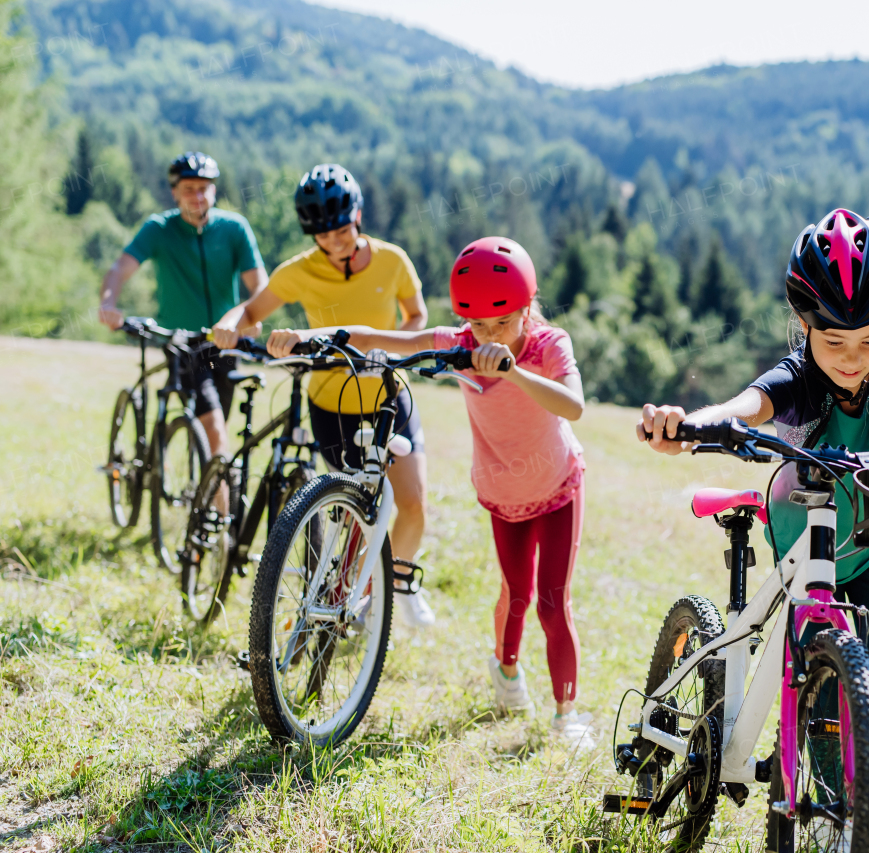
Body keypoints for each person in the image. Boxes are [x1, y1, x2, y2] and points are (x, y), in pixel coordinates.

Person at [638, 209, 869, 839]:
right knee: (813, 669)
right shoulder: (800, 373)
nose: (852, 359)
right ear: (804, 327)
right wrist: (694, 426)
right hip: (801, 526)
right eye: (833, 342)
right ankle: (838, 805)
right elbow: (746, 405)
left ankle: (852, 777)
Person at [261, 236, 594, 746]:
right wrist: (309, 336)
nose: (488, 336)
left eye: (502, 323)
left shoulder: (550, 345)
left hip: (558, 487)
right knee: (517, 593)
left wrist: (513, 369)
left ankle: (566, 713)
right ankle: (506, 671)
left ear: (528, 309)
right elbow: (382, 336)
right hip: (503, 491)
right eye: (478, 325)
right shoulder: (460, 344)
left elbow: (573, 405)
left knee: (552, 601)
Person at [210, 163, 435, 627]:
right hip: (333, 405)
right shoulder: (300, 270)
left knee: (412, 503)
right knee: (354, 508)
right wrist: (231, 325)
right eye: (322, 234)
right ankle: (341, 599)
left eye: (341, 228)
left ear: (358, 214)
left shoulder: (393, 261)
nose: (334, 241)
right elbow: (252, 310)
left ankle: (399, 583)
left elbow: (416, 316)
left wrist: (392, 351)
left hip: (389, 394)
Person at [99, 151, 268, 460]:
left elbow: (261, 287)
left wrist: (255, 316)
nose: (197, 196)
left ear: (214, 190)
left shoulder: (235, 229)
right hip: (184, 345)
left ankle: (203, 490)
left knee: (216, 427)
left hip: (227, 346)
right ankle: (224, 509)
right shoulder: (159, 229)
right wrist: (109, 303)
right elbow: (119, 269)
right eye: (188, 189)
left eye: (204, 188)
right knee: (214, 426)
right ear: (174, 192)